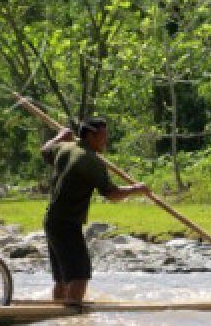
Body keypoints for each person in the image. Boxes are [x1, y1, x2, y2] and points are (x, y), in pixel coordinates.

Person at [41, 117, 147, 304]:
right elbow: (112, 194)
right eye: (103, 136)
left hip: (52, 220)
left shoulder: (65, 148)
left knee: (63, 278)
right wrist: (136, 189)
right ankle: (71, 316)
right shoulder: (90, 160)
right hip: (67, 224)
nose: (106, 141)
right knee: (79, 276)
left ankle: (57, 312)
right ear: (90, 135)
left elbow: (44, 151)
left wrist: (59, 136)